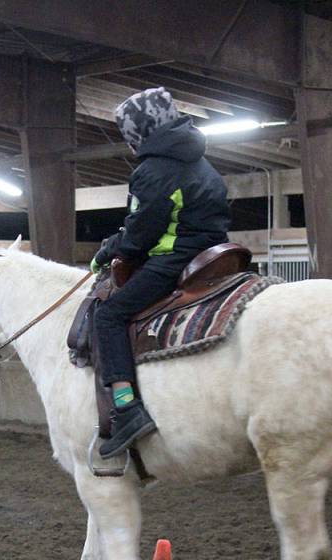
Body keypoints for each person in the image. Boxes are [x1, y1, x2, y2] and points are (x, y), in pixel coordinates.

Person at [90, 87, 231, 459]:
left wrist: (108, 249)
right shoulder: (203, 163)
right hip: (214, 253)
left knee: (109, 316)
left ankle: (126, 407)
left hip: (173, 258)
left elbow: (139, 237)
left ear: (139, 130)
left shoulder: (151, 172)